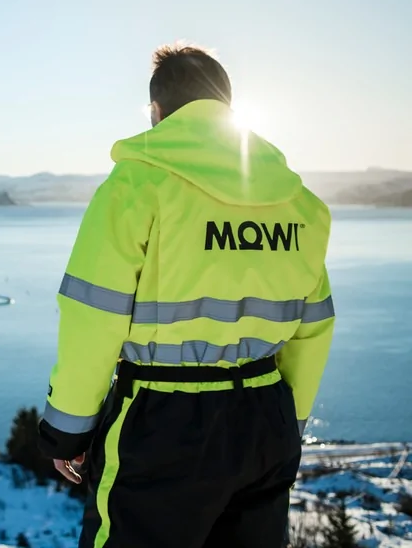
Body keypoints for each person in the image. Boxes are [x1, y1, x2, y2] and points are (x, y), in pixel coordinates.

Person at [37, 44, 335, 548]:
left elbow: (94, 314)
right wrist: (291, 420)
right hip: (266, 419)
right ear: (229, 107)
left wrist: (68, 430)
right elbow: (314, 328)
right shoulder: (299, 202)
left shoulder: (136, 185)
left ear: (156, 112)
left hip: (161, 421)